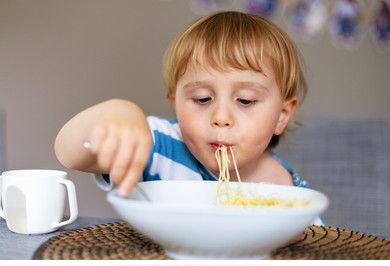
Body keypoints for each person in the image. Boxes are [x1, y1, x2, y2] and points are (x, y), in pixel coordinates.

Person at [54, 11, 308, 199]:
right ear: (176, 104)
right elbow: (69, 153)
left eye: (245, 100)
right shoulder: (158, 146)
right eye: (202, 99)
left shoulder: (288, 192)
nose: (220, 117)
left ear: (281, 116)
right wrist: (119, 112)